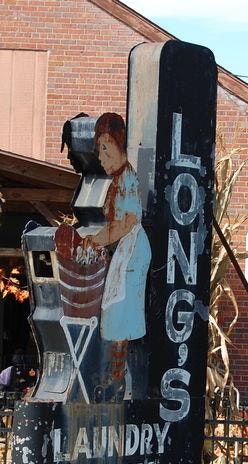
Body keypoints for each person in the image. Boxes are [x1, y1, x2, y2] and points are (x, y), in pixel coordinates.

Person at [84, 113, 151, 394]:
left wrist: (96, 240)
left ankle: (120, 378)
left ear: (118, 144)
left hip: (132, 249)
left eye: (105, 147)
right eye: (98, 149)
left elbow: (127, 220)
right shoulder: (119, 179)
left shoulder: (128, 179)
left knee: (118, 313)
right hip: (126, 247)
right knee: (114, 312)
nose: (101, 156)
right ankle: (117, 374)